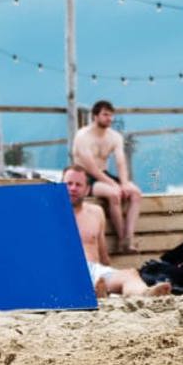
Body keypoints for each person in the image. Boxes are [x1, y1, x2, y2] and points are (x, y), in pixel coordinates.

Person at [71, 100, 143, 253]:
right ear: (95, 116)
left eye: (111, 115)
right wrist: (114, 185)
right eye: (105, 115)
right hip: (86, 176)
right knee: (114, 194)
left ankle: (129, 238)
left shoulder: (114, 136)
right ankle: (122, 239)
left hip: (104, 174)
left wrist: (123, 183)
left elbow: (120, 162)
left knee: (135, 193)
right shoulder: (83, 135)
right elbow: (91, 167)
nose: (109, 118)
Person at [63, 166, 109, 266]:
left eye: (78, 185)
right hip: (67, 275)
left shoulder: (97, 212)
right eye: (69, 184)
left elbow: (103, 256)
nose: (73, 188)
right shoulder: (51, 215)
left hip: (95, 274)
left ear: (87, 190)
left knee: (131, 275)